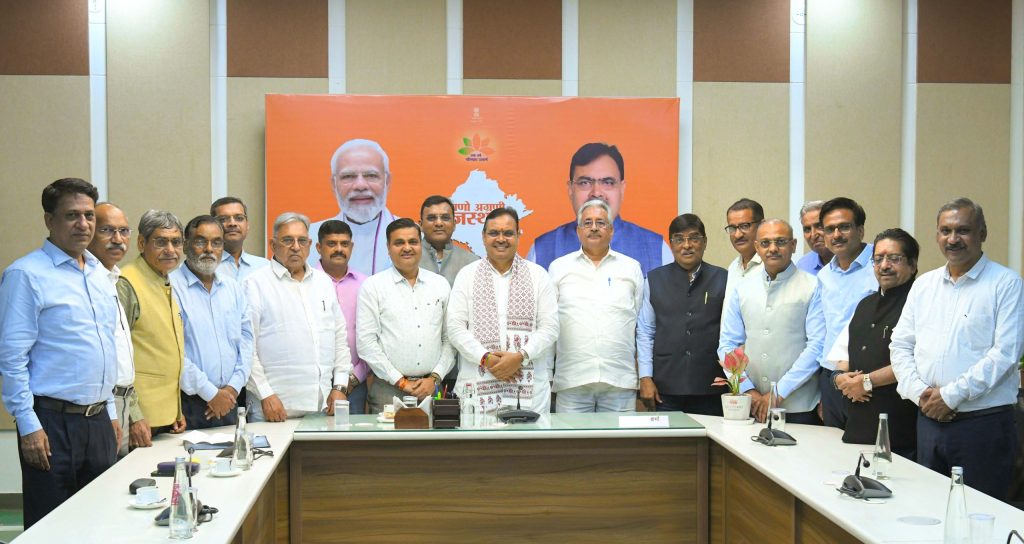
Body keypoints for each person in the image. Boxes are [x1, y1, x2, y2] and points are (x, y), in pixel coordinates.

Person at [0, 178, 120, 528]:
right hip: (52, 422)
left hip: (98, 421)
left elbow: (105, 347)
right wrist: (28, 425)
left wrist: (111, 412)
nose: (83, 224)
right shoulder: (26, 274)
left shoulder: (99, 273)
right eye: (71, 215)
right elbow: (11, 357)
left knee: (99, 522)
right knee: (51, 527)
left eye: (89, 215)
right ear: (49, 221)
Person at [891, 198, 1023, 500]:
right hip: (928, 420)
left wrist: (950, 396)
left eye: (963, 230)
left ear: (982, 233)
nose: (953, 239)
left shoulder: (1006, 284)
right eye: (945, 231)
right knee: (929, 509)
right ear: (937, 235)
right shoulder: (924, 285)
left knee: (980, 513)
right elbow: (900, 344)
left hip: (983, 426)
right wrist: (920, 393)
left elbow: (1005, 353)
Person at [447, 208, 559, 414]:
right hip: (478, 387)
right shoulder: (467, 275)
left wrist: (520, 357)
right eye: (493, 233)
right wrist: (486, 358)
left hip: (529, 391)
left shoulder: (538, 275)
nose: (501, 239)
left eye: (508, 233)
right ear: (483, 236)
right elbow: (455, 328)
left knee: (530, 436)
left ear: (518, 235)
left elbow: (550, 327)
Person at [245, 212, 351, 421]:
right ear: (273, 245)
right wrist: (265, 394)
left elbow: (340, 339)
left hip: (322, 406)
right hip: (273, 408)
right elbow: (246, 347)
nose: (295, 247)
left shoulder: (323, 282)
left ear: (310, 245)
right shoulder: (255, 284)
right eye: (287, 240)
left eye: (302, 241)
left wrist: (340, 386)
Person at [718, 219, 824, 424]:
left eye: (781, 242)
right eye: (765, 243)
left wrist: (778, 393)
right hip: (752, 404)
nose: (773, 249)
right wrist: (748, 390)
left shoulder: (812, 286)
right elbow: (727, 345)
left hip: (798, 405)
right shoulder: (743, 288)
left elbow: (817, 346)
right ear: (757, 247)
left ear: (793, 245)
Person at [827, 229, 919, 459]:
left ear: (912, 264)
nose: (884, 266)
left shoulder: (920, 303)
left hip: (899, 426)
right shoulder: (865, 304)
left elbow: (917, 361)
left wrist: (867, 382)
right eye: (878, 259)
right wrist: (840, 379)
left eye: (894, 258)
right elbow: (844, 354)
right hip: (857, 422)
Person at [549, 199, 643, 412]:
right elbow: (548, 324)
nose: (593, 228)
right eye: (587, 222)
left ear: (611, 230)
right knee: (570, 437)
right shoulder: (559, 268)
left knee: (621, 437)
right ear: (578, 231)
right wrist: (546, 376)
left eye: (600, 223)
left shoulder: (631, 268)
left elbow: (640, 322)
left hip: (619, 381)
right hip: (572, 381)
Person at [527, 142, 671, 277]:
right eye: (585, 182)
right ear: (570, 189)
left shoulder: (656, 248)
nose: (596, 193)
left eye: (607, 182)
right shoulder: (541, 250)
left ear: (622, 189)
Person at [357, 218, 455, 413]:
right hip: (388, 390)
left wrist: (434, 378)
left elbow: (450, 338)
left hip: (432, 389)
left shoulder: (440, 284)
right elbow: (366, 343)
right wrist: (401, 382)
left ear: (421, 245)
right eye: (399, 242)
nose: (407, 248)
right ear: (388, 248)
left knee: (436, 434)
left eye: (413, 242)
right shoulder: (373, 286)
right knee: (388, 435)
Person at [636, 213, 728, 415]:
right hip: (665, 388)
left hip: (711, 387)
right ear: (671, 244)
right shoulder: (654, 280)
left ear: (704, 242)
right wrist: (645, 377)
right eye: (679, 239)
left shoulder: (724, 278)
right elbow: (645, 332)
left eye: (694, 238)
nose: (687, 245)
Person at [170, 215, 253, 430]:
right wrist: (211, 393)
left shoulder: (232, 288)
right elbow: (173, 352)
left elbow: (246, 340)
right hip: (190, 403)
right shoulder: (171, 287)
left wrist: (233, 388)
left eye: (216, 243)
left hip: (230, 400)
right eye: (201, 241)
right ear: (186, 245)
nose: (209, 249)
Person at [120, 210, 187, 442]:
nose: (170, 250)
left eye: (176, 242)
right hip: (138, 419)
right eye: (161, 242)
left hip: (164, 417)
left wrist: (176, 410)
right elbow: (117, 357)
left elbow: (166, 352)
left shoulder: (164, 278)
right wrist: (134, 415)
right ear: (141, 243)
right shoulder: (127, 282)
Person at [86, 202, 143, 458]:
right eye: (107, 230)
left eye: (123, 231)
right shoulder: (86, 281)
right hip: (101, 404)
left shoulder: (116, 281)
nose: (118, 239)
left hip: (123, 399)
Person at [815, 197, 878, 428]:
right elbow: (823, 332)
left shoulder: (880, 266)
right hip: (832, 377)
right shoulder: (824, 275)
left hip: (867, 377)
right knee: (832, 446)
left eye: (844, 227)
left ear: (860, 230)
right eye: (830, 229)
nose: (836, 235)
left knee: (868, 445)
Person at [418, 195, 480, 391]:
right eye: (431, 218)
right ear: (420, 224)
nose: (438, 223)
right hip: (416, 368)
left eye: (445, 218)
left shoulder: (472, 263)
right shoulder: (407, 259)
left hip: (460, 368)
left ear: (454, 223)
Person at [308, 138, 396, 275]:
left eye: (371, 175)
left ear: (387, 182)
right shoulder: (307, 238)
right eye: (348, 176)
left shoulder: (417, 238)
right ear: (334, 184)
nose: (360, 186)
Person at [315, 220, 369, 414]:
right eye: (331, 244)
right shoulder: (306, 283)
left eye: (344, 244)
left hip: (355, 382)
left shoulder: (366, 285)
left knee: (351, 433)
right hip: (314, 382)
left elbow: (374, 336)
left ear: (351, 247)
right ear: (319, 247)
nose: (339, 249)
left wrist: (353, 378)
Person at [722, 198, 765, 315]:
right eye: (732, 228)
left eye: (745, 226)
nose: (738, 235)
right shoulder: (733, 267)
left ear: (762, 225)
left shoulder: (772, 267)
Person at [212, 196, 269, 281]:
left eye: (239, 218)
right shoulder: (202, 267)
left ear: (247, 225)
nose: (232, 223)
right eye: (223, 219)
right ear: (212, 226)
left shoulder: (265, 267)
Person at [795, 200, 833, 275]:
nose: (813, 235)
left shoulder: (854, 261)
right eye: (807, 229)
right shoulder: (803, 266)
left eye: (819, 226)